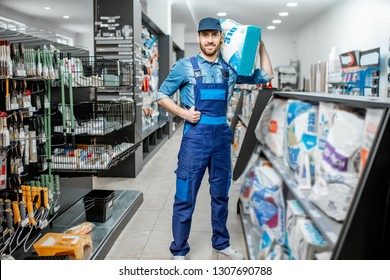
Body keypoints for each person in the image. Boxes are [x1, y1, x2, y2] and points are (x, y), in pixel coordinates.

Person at [157, 17, 274, 260]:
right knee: (185, 194)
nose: (209, 40)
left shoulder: (231, 68)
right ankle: (179, 250)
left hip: (221, 138)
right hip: (195, 138)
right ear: (198, 38)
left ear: (221, 38)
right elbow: (161, 95)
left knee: (221, 195)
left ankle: (221, 242)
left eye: (214, 35)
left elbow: (266, 76)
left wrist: (261, 44)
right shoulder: (184, 66)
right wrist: (182, 112)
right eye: (204, 35)